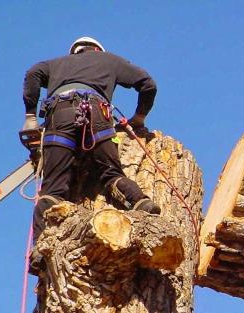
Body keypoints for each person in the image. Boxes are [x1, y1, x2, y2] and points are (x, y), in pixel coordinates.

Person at [22, 36, 160, 275]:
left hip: (60, 116)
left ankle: (41, 248)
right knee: (111, 174)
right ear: (97, 50)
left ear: (75, 51)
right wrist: (139, 118)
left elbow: (33, 73)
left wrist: (31, 116)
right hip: (98, 115)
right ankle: (141, 202)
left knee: (52, 190)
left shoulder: (55, 64)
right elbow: (148, 84)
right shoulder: (110, 60)